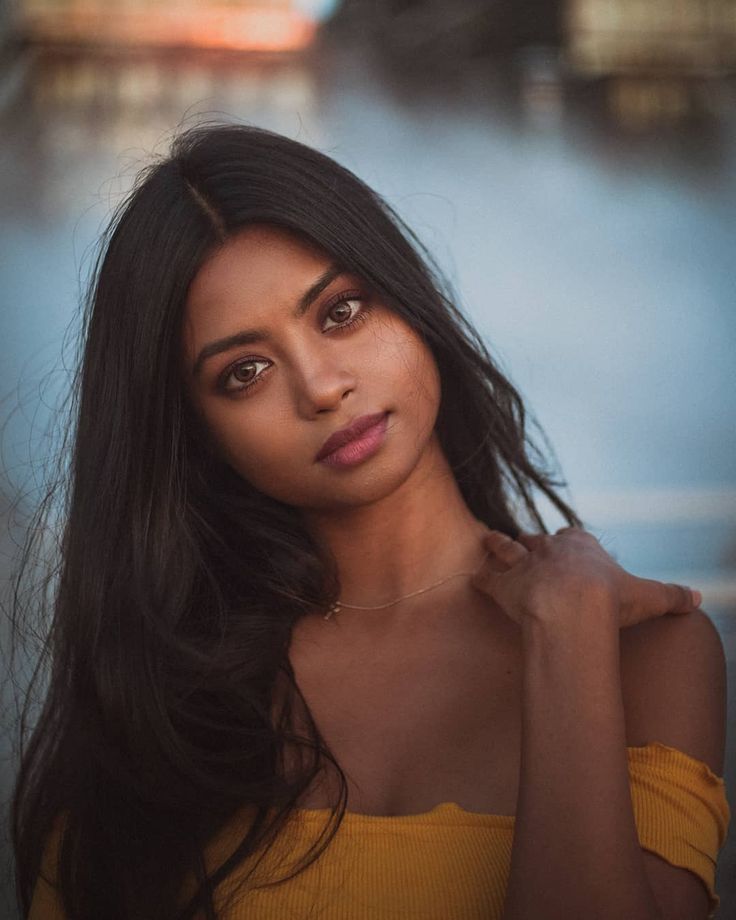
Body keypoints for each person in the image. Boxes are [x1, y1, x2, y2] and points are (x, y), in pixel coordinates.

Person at [11, 123, 729, 920]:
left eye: (341, 311)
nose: (319, 387)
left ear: (410, 301)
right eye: (244, 372)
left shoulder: (644, 651)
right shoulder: (155, 695)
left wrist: (567, 640)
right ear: (194, 432)